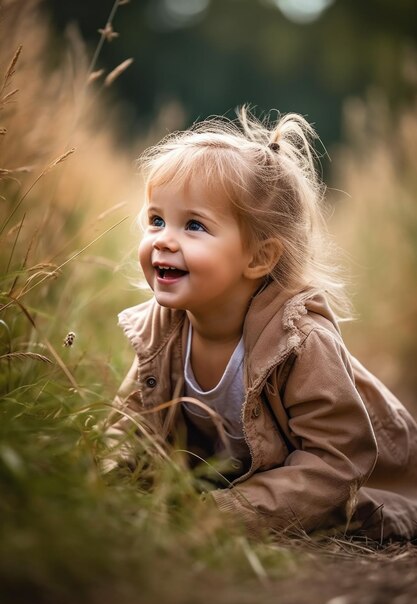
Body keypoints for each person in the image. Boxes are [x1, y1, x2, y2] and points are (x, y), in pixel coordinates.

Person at [107, 107, 417, 541]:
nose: (163, 239)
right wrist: (106, 486)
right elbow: (130, 424)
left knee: (355, 516)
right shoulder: (162, 330)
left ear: (258, 258)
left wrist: (225, 514)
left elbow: (336, 460)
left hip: (339, 489)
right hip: (232, 481)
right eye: (156, 220)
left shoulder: (301, 342)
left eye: (193, 225)